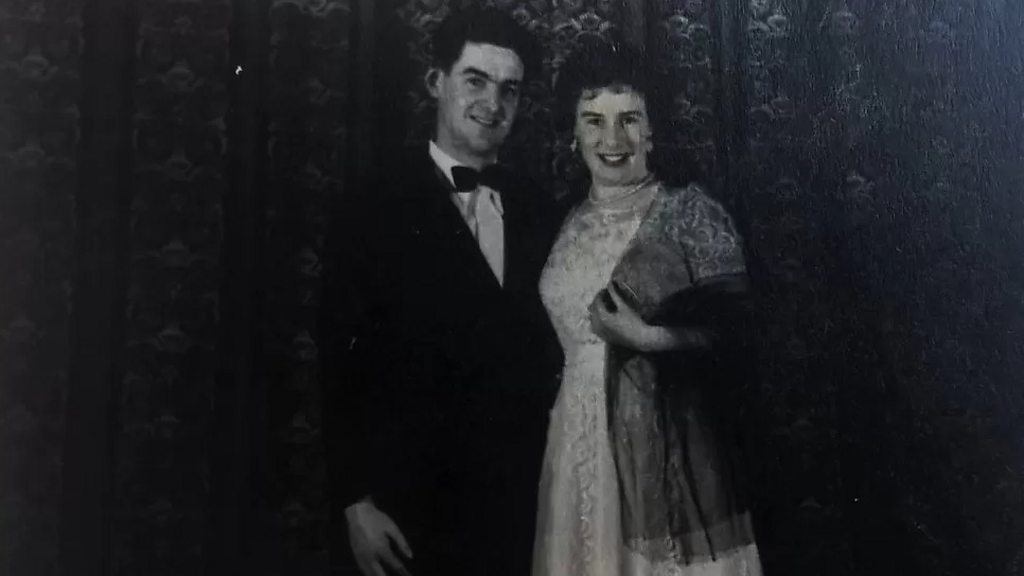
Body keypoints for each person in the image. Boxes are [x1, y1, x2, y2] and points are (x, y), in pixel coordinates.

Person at [320, 7, 563, 576]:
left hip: (518, 510)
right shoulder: (372, 205)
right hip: (407, 513)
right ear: (437, 81)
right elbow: (338, 365)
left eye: (509, 89)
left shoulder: (541, 211)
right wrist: (355, 503)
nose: (492, 103)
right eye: (475, 80)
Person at [532, 39, 764, 576]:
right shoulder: (561, 220)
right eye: (594, 121)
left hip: (664, 453)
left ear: (653, 130)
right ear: (573, 133)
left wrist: (646, 339)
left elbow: (743, 337)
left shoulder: (690, 213)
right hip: (573, 442)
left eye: (629, 119)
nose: (612, 140)